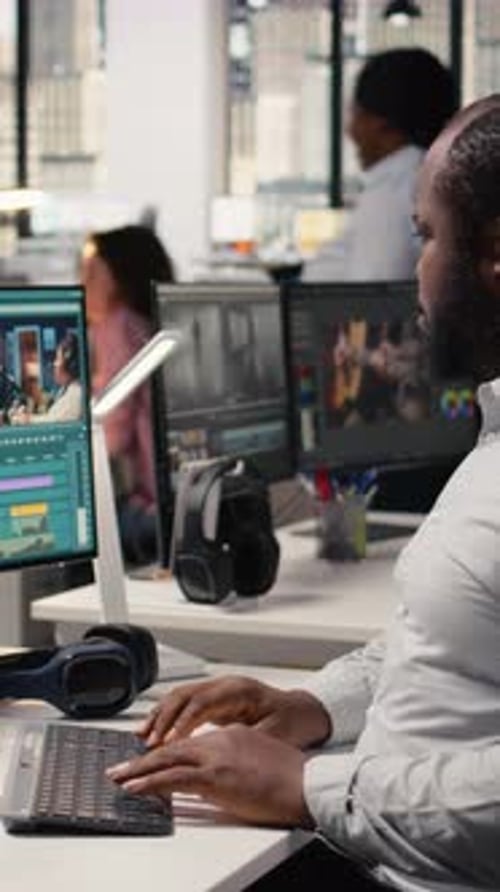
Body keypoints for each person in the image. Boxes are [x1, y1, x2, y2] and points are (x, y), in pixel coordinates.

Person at [107, 95, 500, 891]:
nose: (412, 271)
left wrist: (308, 787)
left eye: (426, 236)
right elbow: (452, 646)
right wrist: (312, 706)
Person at [303, 48, 457, 282]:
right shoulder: (432, 179)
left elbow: (375, 293)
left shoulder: (393, 191)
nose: (350, 130)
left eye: (356, 114)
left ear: (381, 123)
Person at [80, 224, 176, 565]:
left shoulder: (117, 325)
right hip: (173, 499)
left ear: (121, 278)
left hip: (152, 512)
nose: (82, 281)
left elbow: (114, 435)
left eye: (93, 272)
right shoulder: (149, 324)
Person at [11, 331, 82, 424]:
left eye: (57, 359)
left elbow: (55, 423)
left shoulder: (76, 393)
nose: (54, 364)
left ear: (70, 365)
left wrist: (28, 419)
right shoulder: (67, 389)